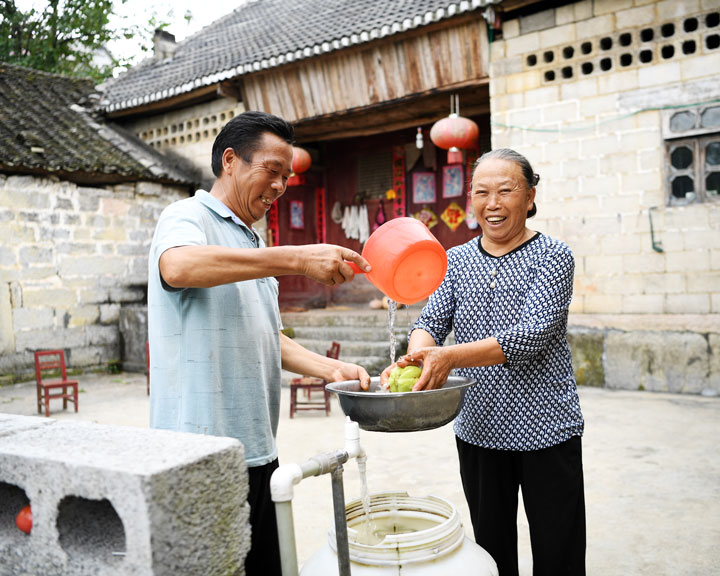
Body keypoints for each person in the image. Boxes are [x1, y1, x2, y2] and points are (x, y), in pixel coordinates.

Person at [147, 110, 371, 576]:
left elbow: (264, 337)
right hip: (198, 452)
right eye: (271, 170)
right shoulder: (186, 216)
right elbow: (178, 267)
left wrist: (333, 370)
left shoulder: (252, 242)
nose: (280, 186)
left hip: (258, 449)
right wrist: (295, 258)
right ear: (230, 160)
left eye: (286, 176)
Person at [382, 148, 585, 576]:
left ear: (530, 197)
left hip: (546, 426)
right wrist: (417, 355)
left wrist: (448, 356)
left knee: (558, 546)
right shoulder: (455, 260)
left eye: (506, 191)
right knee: (491, 551)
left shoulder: (553, 255)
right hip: (479, 428)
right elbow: (430, 321)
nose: (492, 204)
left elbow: (533, 335)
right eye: (481, 192)